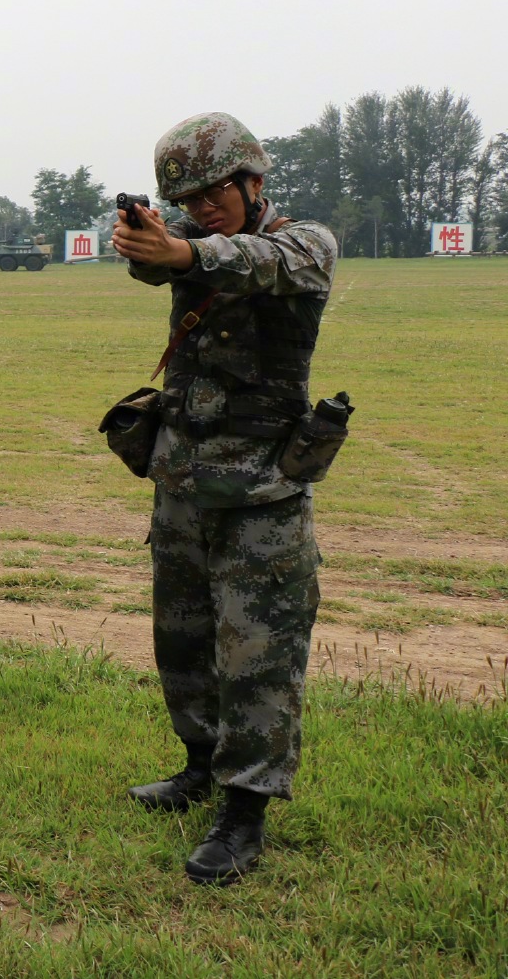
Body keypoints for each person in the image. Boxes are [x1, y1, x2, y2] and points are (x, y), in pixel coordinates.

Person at [111, 112, 339, 886]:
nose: (203, 206)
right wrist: (151, 240)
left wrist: (181, 247)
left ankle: (245, 812)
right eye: (187, 196)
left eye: (214, 191)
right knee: (182, 639)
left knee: (258, 656)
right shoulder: (188, 244)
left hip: (261, 491)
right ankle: (198, 765)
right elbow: (159, 267)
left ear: (253, 180)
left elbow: (250, 261)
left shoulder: (305, 243)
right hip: (182, 480)